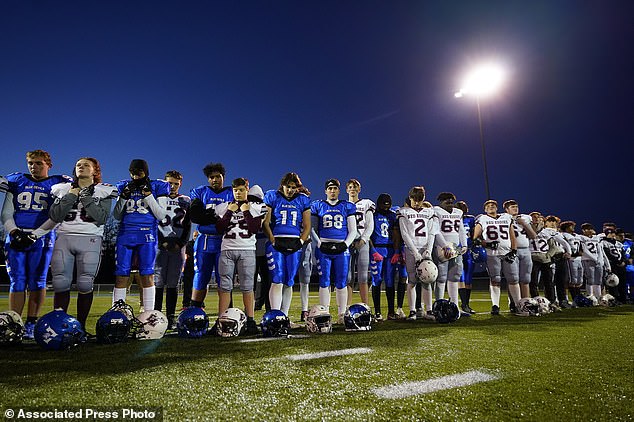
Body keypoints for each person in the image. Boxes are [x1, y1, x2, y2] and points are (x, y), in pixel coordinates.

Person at [1, 150, 72, 338]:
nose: (34, 167)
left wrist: (36, 234)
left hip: (43, 236)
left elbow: (57, 214)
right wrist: (14, 232)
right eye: (31, 163)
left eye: (39, 163)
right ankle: (15, 322)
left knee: (37, 280)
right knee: (17, 280)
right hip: (16, 233)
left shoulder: (58, 182)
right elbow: (6, 212)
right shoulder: (16, 180)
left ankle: (31, 323)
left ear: (49, 164)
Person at [49, 157, 117, 329]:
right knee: (60, 283)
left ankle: (81, 326)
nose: (82, 167)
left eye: (87, 165)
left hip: (90, 238)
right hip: (64, 236)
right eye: (79, 165)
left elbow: (101, 218)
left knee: (85, 283)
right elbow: (55, 215)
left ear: (95, 170)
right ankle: (59, 325)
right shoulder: (63, 189)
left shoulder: (104, 190)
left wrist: (86, 198)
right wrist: (72, 195)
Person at [112, 159, 169, 312]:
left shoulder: (158, 186)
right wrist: (123, 197)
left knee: (147, 273)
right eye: (133, 173)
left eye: (139, 173)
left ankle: (149, 313)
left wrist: (149, 196)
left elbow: (161, 215)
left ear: (146, 172)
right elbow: (116, 215)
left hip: (147, 235)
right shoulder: (124, 185)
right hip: (125, 234)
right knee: (121, 274)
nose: (136, 177)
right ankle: (118, 312)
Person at [215, 179, 267, 334]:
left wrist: (245, 211)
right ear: (232, 190)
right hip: (227, 250)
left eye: (241, 190)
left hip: (247, 249)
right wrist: (230, 211)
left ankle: (250, 320)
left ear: (247, 190)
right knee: (224, 287)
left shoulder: (256, 207)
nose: (238, 193)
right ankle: (221, 320)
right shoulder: (222, 207)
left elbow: (254, 228)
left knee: (247, 286)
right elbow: (220, 228)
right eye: (236, 190)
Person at [262, 172, 311, 318]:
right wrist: (272, 240)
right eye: (287, 186)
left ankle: (285, 316)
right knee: (277, 279)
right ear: (282, 185)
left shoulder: (303, 199)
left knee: (289, 281)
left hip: (294, 242)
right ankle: (275, 315)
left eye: (293, 187)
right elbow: (265, 222)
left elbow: (307, 226)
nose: (290, 190)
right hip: (277, 241)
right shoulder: (272, 196)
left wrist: (301, 242)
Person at [310, 179, 357, 323]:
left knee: (341, 281)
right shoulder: (318, 205)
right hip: (324, 248)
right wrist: (319, 244)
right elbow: (311, 228)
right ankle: (325, 313)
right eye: (330, 188)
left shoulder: (346, 206)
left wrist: (345, 244)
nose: (332, 191)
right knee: (324, 281)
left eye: (335, 188)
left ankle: (342, 314)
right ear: (325, 191)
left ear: (339, 190)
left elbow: (353, 230)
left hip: (341, 249)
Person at [188, 162, 234, 308]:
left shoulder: (232, 192)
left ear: (223, 177)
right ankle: (195, 308)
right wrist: (217, 217)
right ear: (208, 179)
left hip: (225, 240)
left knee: (224, 279)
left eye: (218, 176)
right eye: (211, 177)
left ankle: (227, 312)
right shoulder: (200, 192)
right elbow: (195, 216)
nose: (215, 180)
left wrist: (207, 215)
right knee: (201, 275)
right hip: (205, 240)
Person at [397, 186, 442, 320]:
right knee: (412, 280)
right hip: (412, 248)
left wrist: (428, 249)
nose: (416, 202)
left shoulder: (429, 212)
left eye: (419, 199)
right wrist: (415, 252)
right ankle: (412, 311)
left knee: (427, 280)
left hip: (425, 248)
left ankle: (428, 310)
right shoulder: (403, 212)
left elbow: (432, 232)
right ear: (410, 198)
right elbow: (404, 233)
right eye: (414, 199)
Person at [155, 170, 191, 329]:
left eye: (176, 184)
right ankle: (155, 313)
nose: (173, 186)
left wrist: (182, 243)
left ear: (180, 184)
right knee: (158, 281)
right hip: (160, 244)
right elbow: (153, 221)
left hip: (178, 245)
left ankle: (170, 315)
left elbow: (188, 224)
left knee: (173, 282)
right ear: (165, 183)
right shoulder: (158, 199)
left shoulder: (186, 200)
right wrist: (160, 241)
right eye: (170, 183)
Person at [472, 199, 520, 315]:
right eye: (488, 205)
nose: (491, 206)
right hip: (491, 254)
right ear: (484, 209)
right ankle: (495, 305)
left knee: (513, 279)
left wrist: (514, 250)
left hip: (507, 252)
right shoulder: (482, 219)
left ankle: (517, 304)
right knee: (495, 279)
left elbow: (512, 235)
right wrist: (487, 244)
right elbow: (475, 238)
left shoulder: (506, 217)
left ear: (497, 207)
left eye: (493, 205)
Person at [433, 192, 468, 308]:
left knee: (455, 276)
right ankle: (440, 304)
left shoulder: (458, 212)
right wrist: (444, 245)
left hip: (456, 247)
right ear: (441, 202)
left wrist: (464, 244)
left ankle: (454, 305)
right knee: (442, 277)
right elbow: (436, 231)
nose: (450, 204)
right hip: (442, 247)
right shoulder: (436, 211)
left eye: (451, 201)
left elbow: (461, 230)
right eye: (446, 201)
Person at [369, 193, 399, 320]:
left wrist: (397, 251)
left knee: (390, 282)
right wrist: (373, 250)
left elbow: (397, 234)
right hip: (378, 249)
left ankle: (391, 312)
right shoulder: (373, 215)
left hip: (390, 250)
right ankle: (377, 312)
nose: (386, 208)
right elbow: (368, 233)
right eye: (384, 205)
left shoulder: (393, 216)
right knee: (376, 281)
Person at [529, 215, 571, 304]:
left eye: (541, 221)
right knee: (533, 282)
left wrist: (548, 256)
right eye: (537, 220)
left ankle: (552, 301)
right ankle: (536, 301)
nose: (539, 222)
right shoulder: (527, 231)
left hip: (546, 259)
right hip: (533, 258)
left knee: (550, 282)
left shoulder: (547, 233)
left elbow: (554, 246)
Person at [345, 179, 375, 306]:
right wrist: (347, 241)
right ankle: (346, 308)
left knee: (363, 277)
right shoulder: (343, 204)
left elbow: (370, 225)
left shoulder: (366, 203)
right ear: (347, 190)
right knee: (348, 277)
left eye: (355, 187)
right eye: (350, 187)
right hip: (348, 243)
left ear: (359, 189)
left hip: (362, 241)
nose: (352, 189)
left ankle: (365, 307)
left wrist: (363, 239)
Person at [503, 200, 537, 305]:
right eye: (512, 207)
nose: (515, 208)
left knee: (526, 279)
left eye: (516, 206)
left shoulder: (525, 218)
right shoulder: (503, 218)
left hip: (525, 250)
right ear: (506, 209)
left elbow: (533, 235)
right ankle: (514, 303)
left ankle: (526, 303)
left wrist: (524, 224)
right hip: (511, 250)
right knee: (513, 279)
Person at [455, 200, 477, 314]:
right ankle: (463, 304)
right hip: (457, 250)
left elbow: (474, 234)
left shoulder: (471, 219)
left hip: (468, 250)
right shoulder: (453, 218)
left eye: (463, 207)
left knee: (468, 279)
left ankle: (466, 304)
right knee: (461, 278)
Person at [578, 223, 609, 300]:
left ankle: (598, 297)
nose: (590, 231)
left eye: (591, 229)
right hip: (587, 260)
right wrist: (594, 258)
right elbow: (584, 250)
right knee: (590, 279)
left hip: (597, 260)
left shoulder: (596, 238)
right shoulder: (581, 238)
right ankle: (590, 296)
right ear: (583, 230)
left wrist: (600, 260)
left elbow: (599, 248)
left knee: (598, 280)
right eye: (588, 229)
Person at [560, 221, 584, 305]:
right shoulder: (563, 235)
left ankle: (578, 297)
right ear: (566, 228)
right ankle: (574, 298)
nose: (573, 227)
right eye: (571, 226)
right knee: (572, 280)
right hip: (571, 259)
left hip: (578, 259)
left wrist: (581, 252)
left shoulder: (577, 235)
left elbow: (580, 246)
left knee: (579, 280)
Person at [181, 231, 198, 309]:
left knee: (198, 286)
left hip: (198, 268)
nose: (195, 237)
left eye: (197, 236)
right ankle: (186, 304)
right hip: (189, 268)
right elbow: (186, 256)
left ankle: (199, 304)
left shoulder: (201, 243)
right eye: (195, 235)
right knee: (187, 287)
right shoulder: (189, 244)